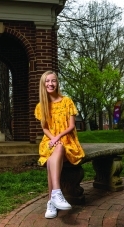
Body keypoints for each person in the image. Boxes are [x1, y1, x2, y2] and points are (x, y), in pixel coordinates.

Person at [34, 70, 85, 219]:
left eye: (53, 80)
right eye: (47, 81)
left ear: (57, 83)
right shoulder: (41, 106)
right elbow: (44, 128)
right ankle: (56, 195)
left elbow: (71, 126)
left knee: (57, 151)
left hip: (67, 139)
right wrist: (53, 138)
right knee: (55, 151)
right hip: (49, 140)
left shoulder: (67, 101)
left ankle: (52, 199)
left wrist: (58, 137)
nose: (50, 83)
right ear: (43, 84)